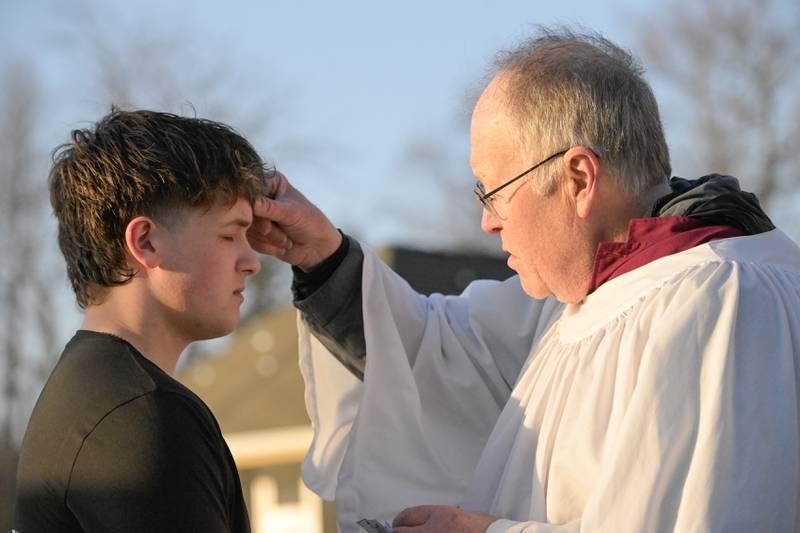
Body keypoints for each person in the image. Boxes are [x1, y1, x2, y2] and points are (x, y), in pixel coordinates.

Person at [249, 28, 800, 532]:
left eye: (493, 191)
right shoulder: (583, 296)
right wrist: (323, 256)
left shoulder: (723, 302)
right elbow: (436, 355)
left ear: (579, 178)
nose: (487, 220)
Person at [14, 110, 272, 532]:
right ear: (145, 242)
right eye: (229, 235)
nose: (251, 262)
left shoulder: (90, 395)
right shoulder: (141, 417)